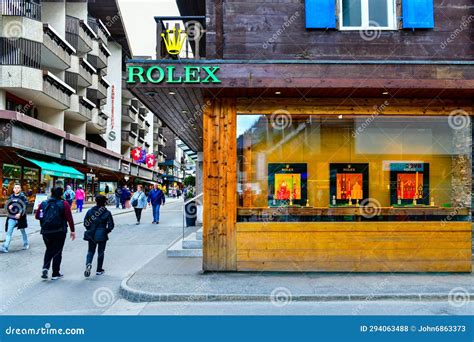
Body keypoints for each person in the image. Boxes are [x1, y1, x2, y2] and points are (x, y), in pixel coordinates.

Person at [35, 187, 75, 280]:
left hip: (46, 231)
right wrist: (72, 231)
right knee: (57, 251)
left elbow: (37, 216)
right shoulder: (64, 203)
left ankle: (45, 268)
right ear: (61, 194)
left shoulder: (44, 203)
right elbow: (70, 218)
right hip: (59, 231)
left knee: (49, 249)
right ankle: (55, 273)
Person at [83, 195, 114, 277]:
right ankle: (99, 270)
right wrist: (106, 231)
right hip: (102, 235)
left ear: (96, 201)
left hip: (92, 234)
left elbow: (85, 223)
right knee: (101, 252)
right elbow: (111, 225)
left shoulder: (90, 211)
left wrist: (89, 228)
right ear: (104, 202)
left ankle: (88, 264)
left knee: (90, 251)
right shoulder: (107, 212)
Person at [1, 183, 29, 253]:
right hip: (12, 217)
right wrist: (9, 207)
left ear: (20, 189)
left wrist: (20, 213)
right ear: (13, 189)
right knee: (9, 232)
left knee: (23, 231)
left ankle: (26, 244)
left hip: (21, 218)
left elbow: (25, 206)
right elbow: (7, 205)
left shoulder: (23, 197)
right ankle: (6, 247)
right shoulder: (11, 197)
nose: (16, 189)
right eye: (15, 188)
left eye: (18, 188)